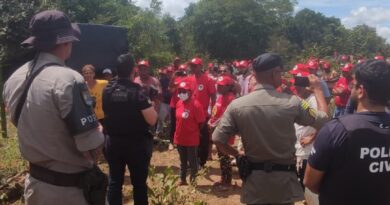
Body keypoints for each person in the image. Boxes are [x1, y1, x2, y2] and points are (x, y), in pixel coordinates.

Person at [3, 10, 105, 205]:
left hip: (34, 187)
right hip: (70, 193)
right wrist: (99, 131)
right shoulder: (69, 79)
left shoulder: (14, 79)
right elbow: (92, 149)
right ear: (65, 42)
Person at [212, 53, 329, 205]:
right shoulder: (293, 103)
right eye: (280, 72)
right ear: (274, 73)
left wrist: (237, 154)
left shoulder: (237, 105)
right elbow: (324, 121)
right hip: (283, 182)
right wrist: (319, 91)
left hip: (254, 181)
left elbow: (217, 139)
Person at [304, 60, 390, 205]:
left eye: (353, 85)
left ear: (361, 91)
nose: (351, 89)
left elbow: (310, 182)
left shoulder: (336, 130)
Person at [103, 53, 158, 205]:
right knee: (139, 185)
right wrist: (152, 106)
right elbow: (152, 119)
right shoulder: (137, 92)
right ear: (133, 70)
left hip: (113, 143)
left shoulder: (108, 90)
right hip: (136, 145)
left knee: (114, 182)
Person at [174, 80, 205, 185]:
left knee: (193, 161)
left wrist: (193, 131)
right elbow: (177, 121)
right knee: (182, 161)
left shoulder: (196, 105)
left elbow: (201, 122)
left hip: (191, 139)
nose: (181, 93)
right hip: (179, 138)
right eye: (180, 91)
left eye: (184, 91)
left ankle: (193, 180)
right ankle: (182, 179)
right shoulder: (178, 103)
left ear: (190, 92)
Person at [208, 75, 236, 191]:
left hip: (225, 131)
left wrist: (214, 124)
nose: (218, 88)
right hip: (217, 130)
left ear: (228, 87)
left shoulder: (231, 98)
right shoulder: (221, 97)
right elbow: (216, 113)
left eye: (221, 86)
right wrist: (210, 121)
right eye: (218, 86)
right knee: (221, 155)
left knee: (225, 155)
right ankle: (223, 178)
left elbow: (226, 116)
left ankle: (227, 181)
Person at [188, 57, 216, 167]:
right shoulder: (190, 79)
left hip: (203, 114)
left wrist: (213, 113)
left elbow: (213, 97)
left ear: (201, 66)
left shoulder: (208, 80)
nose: (193, 68)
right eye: (192, 66)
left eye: (195, 66)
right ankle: (193, 160)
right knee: (192, 137)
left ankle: (201, 161)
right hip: (191, 113)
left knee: (203, 138)